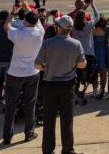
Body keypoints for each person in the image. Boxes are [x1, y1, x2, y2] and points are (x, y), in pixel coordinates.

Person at [34, 15, 87, 154]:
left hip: (50, 85)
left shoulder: (48, 43)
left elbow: (37, 64)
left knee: (49, 120)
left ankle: (48, 150)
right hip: (67, 85)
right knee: (67, 120)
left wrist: (48, 67)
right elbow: (82, 64)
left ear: (59, 28)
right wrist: (70, 64)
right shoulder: (76, 44)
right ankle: (68, 149)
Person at [3, 9, 44, 145]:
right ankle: (29, 133)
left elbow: (6, 26)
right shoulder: (39, 32)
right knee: (30, 104)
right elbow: (37, 21)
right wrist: (29, 9)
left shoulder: (18, 34)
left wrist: (12, 14)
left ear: (25, 21)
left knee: (10, 106)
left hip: (15, 73)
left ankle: (7, 137)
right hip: (32, 72)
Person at [70, 2, 99, 101]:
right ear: (84, 17)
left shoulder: (73, 27)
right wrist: (92, 5)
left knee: (78, 74)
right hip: (89, 52)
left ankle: (77, 92)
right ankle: (95, 91)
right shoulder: (88, 25)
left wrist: (83, 8)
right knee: (93, 73)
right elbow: (97, 16)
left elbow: (77, 16)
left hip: (77, 54)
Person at [92, 16, 108, 99]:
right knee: (103, 72)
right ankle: (102, 89)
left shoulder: (92, 31)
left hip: (94, 52)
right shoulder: (105, 31)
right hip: (103, 52)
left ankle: (95, 89)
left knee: (94, 72)